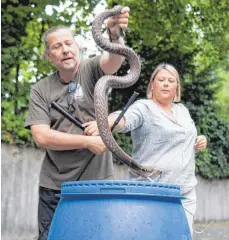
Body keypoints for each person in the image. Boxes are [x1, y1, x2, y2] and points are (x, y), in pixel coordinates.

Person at [24, 6, 130, 240]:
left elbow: (115, 61)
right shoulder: (40, 90)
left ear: (77, 46)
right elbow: (41, 137)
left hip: (97, 183)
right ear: (49, 56)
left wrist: (114, 35)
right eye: (56, 46)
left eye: (68, 43)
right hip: (55, 185)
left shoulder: (92, 70)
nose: (64, 50)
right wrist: (88, 141)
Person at [83, 63, 207, 235]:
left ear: (176, 87)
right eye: (161, 79)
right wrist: (107, 122)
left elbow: (187, 137)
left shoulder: (183, 111)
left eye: (171, 80)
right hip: (151, 192)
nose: (165, 83)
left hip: (184, 193)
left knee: (181, 236)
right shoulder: (144, 107)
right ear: (152, 85)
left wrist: (200, 140)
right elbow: (126, 119)